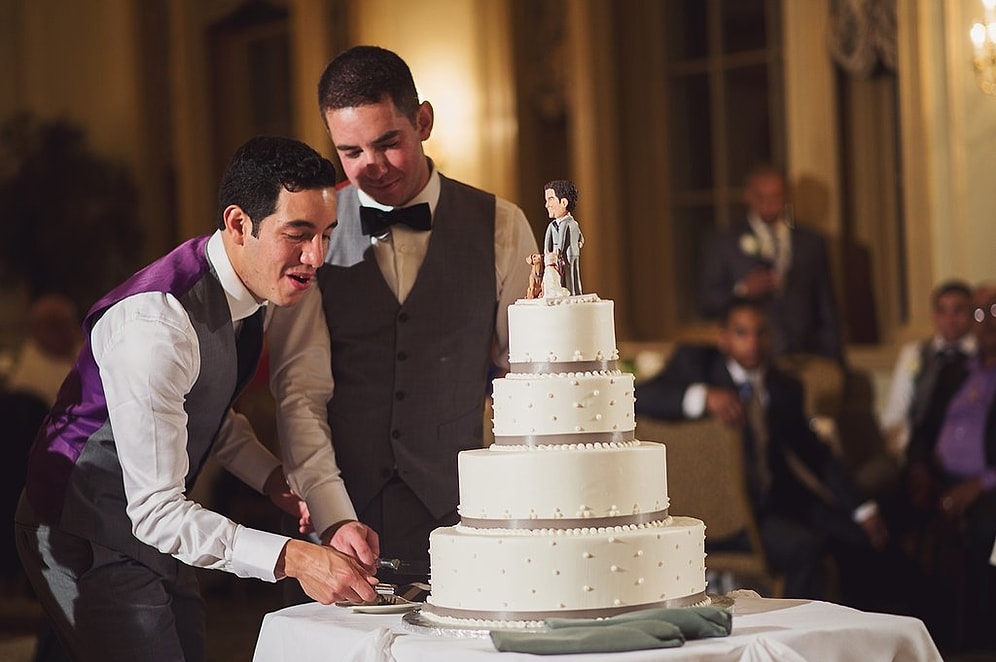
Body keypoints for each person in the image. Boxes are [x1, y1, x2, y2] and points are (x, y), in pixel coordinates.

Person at [14, 135, 379, 661]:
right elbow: (158, 512)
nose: (316, 257)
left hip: (158, 526)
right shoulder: (155, 326)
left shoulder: (253, 289)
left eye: (326, 235)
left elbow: (209, 414)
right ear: (237, 224)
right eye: (298, 235)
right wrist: (296, 558)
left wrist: (274, 479)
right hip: (81, 527)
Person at [267, 45, 537, 585]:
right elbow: (300, 392)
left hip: (467, 516)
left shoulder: (501, 226)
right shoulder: (314, 233)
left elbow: (526, 383)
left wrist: (516, 504)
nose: (373, 166)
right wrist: (332, 514)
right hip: (348, 520)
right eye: (350, 152)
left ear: (424, 121)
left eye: (388, 143)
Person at [634, 297, 890, 604]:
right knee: (805, 548)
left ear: (772, 336)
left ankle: (859, 631)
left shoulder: (784, 386)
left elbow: (814, 454)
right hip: (725, 514)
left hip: (777, 500)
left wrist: (862, 508)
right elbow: (642, 395)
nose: (752, 342)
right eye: (742, 333)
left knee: (860, 538)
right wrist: (702, 397)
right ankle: (796, 638)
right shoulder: (697, 364)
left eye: (761, 332)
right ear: (724, 338)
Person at [902, 282, 996, 651]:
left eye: (995, 311)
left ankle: (977, 644)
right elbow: (922, 428)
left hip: (986, 484)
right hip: (942, 479)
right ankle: (916, 641)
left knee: (985, 526)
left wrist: (977, 485)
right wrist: (919, 469)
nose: (986, 321)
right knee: (891, 510)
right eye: (978, 313)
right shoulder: (958, 370)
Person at [698, 164, 842, 361]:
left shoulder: (811, 243)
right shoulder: (725, 243)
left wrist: (832, 358)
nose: (769, 204)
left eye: (775, 196)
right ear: (748, 196)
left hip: (805, 357)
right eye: (761, 197)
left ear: (786, 196)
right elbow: (707, 302)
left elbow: (827, 307)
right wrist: (743, 290)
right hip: (750, 359)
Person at [880, 280, 976, 462]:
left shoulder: (982, 356)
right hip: (921, 446)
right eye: (943, 311)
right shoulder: (915, 354)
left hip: (968, 448)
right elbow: (897, 409)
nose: (950, 319)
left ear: (972, 314)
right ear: (934, 315)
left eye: (958, 311)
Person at [6, 294, 83, 407]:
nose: (67, 332)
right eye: (56, 326)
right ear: (37, 329)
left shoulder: (84, 349)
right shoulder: (27, 373)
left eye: (69, 323)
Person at [542, 179, 583, 295]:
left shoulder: (568, 223)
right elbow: (547, 239)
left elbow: (563, 238)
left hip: (568, 254)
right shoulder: (552, 225)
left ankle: (573, 293)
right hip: (557, 255)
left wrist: (558, 251)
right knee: (561, 275)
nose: (546, 205)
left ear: (564, 203)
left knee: (572, 273)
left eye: (550, 199)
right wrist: (546, 251)